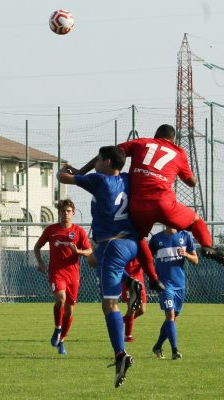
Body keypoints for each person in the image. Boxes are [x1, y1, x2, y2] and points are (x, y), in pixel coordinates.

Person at [76, 124, 224, 269]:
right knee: (196, 222)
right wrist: (190, 177)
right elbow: (191, 183)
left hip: (138, 205)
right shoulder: (179, 152)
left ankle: (152, 277)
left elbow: (109, 153)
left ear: (156, 135)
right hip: (165, 204)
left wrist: (81, 171)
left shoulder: (142, 143)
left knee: (137, 239)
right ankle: (207, 246)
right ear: (173, 140)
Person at [58, 145, 142, 388]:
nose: (95, 162)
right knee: (93, 259)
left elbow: (62, 177)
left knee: (109, 303)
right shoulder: (127, 178)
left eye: (98, 159)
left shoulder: (98, 180)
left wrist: (76, 170)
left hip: (113, 244)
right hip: (124, 244)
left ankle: (120, 355)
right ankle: (130, 281)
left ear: (105, 162)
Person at [34, 199, 92, 356]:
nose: (65, 213)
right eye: (62, 211)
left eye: (68, 211)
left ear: (73, 213)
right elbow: (37, 247)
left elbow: (89, 251)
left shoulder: (79, 231)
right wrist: (40, 262)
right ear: (58, 213)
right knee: (60, 298)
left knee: (70, 311)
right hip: (56, 272)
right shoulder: (51, 230)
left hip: (73, 275)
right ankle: (57, 328)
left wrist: (79, 252)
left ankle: (62, 340)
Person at [149, 227, 199, 360]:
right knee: (170, 315)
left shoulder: (185, 236)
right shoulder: (156, 239)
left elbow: (196, 260)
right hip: (165, 286)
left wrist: (186, 254)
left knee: (171, 319)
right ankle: (175, 350)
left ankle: (158, 346)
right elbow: (146, 258)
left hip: (180, 285)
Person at [120, 258, 147, 343]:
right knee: (132, 309)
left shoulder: (141, 248)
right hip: (128, 282)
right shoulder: (125, 247)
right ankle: (128, 336)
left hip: (140, 281)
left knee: (142, 310)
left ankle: (120, 321)